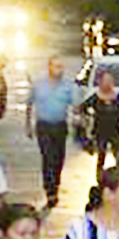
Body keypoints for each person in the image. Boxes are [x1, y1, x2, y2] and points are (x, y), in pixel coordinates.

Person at [27, 57, 78, 205]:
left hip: (60, 126)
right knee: (48, 157)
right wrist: (28, 125)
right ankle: (49, 190)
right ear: (49, 67)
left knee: (58, 158)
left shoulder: (68, 86)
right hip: (43, 126)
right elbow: (29, 103)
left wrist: (78, 113)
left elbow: (75, 106)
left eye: (61, 67)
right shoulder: (39, 85)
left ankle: (55, 185)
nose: (59, 70)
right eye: (56, 66)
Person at [76, 67, 119, 180]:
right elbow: (82, 107)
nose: (108, 84)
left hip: (115, 131)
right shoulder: (96, 97)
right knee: (101, 156)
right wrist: (88, 118)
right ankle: (99, 178)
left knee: (118, 156)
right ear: (100, 82)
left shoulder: (117, 96)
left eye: (110, 81)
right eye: (105, 81)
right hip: (100, 131)